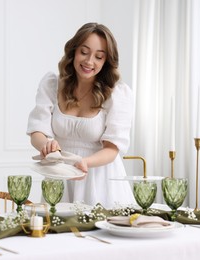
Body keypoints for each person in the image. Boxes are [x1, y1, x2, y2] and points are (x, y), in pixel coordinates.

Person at [27, 22, 135, 208]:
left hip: (100, 180)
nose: (89, 61)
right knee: (58, 232)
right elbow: (37, 131)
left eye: (99, 57)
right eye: (84, 52)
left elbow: (112, 149)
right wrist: (47, 146)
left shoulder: (117, 94)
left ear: (106, 62)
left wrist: (83, 163)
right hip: (60, 177)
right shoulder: (52, 85)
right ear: (74, 51)